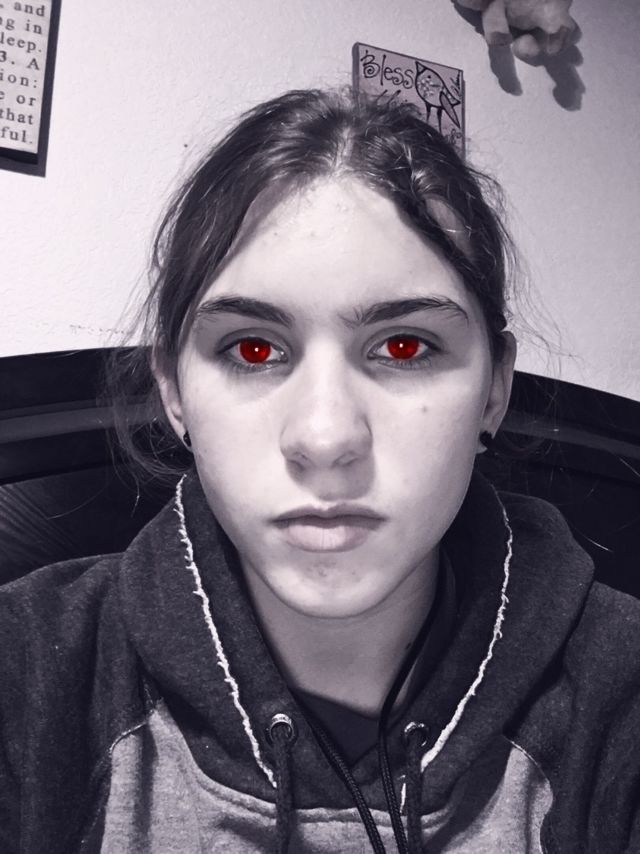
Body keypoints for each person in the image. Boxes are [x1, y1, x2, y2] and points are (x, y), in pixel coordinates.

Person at [1, 88, 639, 854]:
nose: (326, 437)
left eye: (404, 347)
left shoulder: (621, 695)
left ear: (495, 390)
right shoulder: (27, 669)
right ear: (173, 390)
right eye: (253, 349)